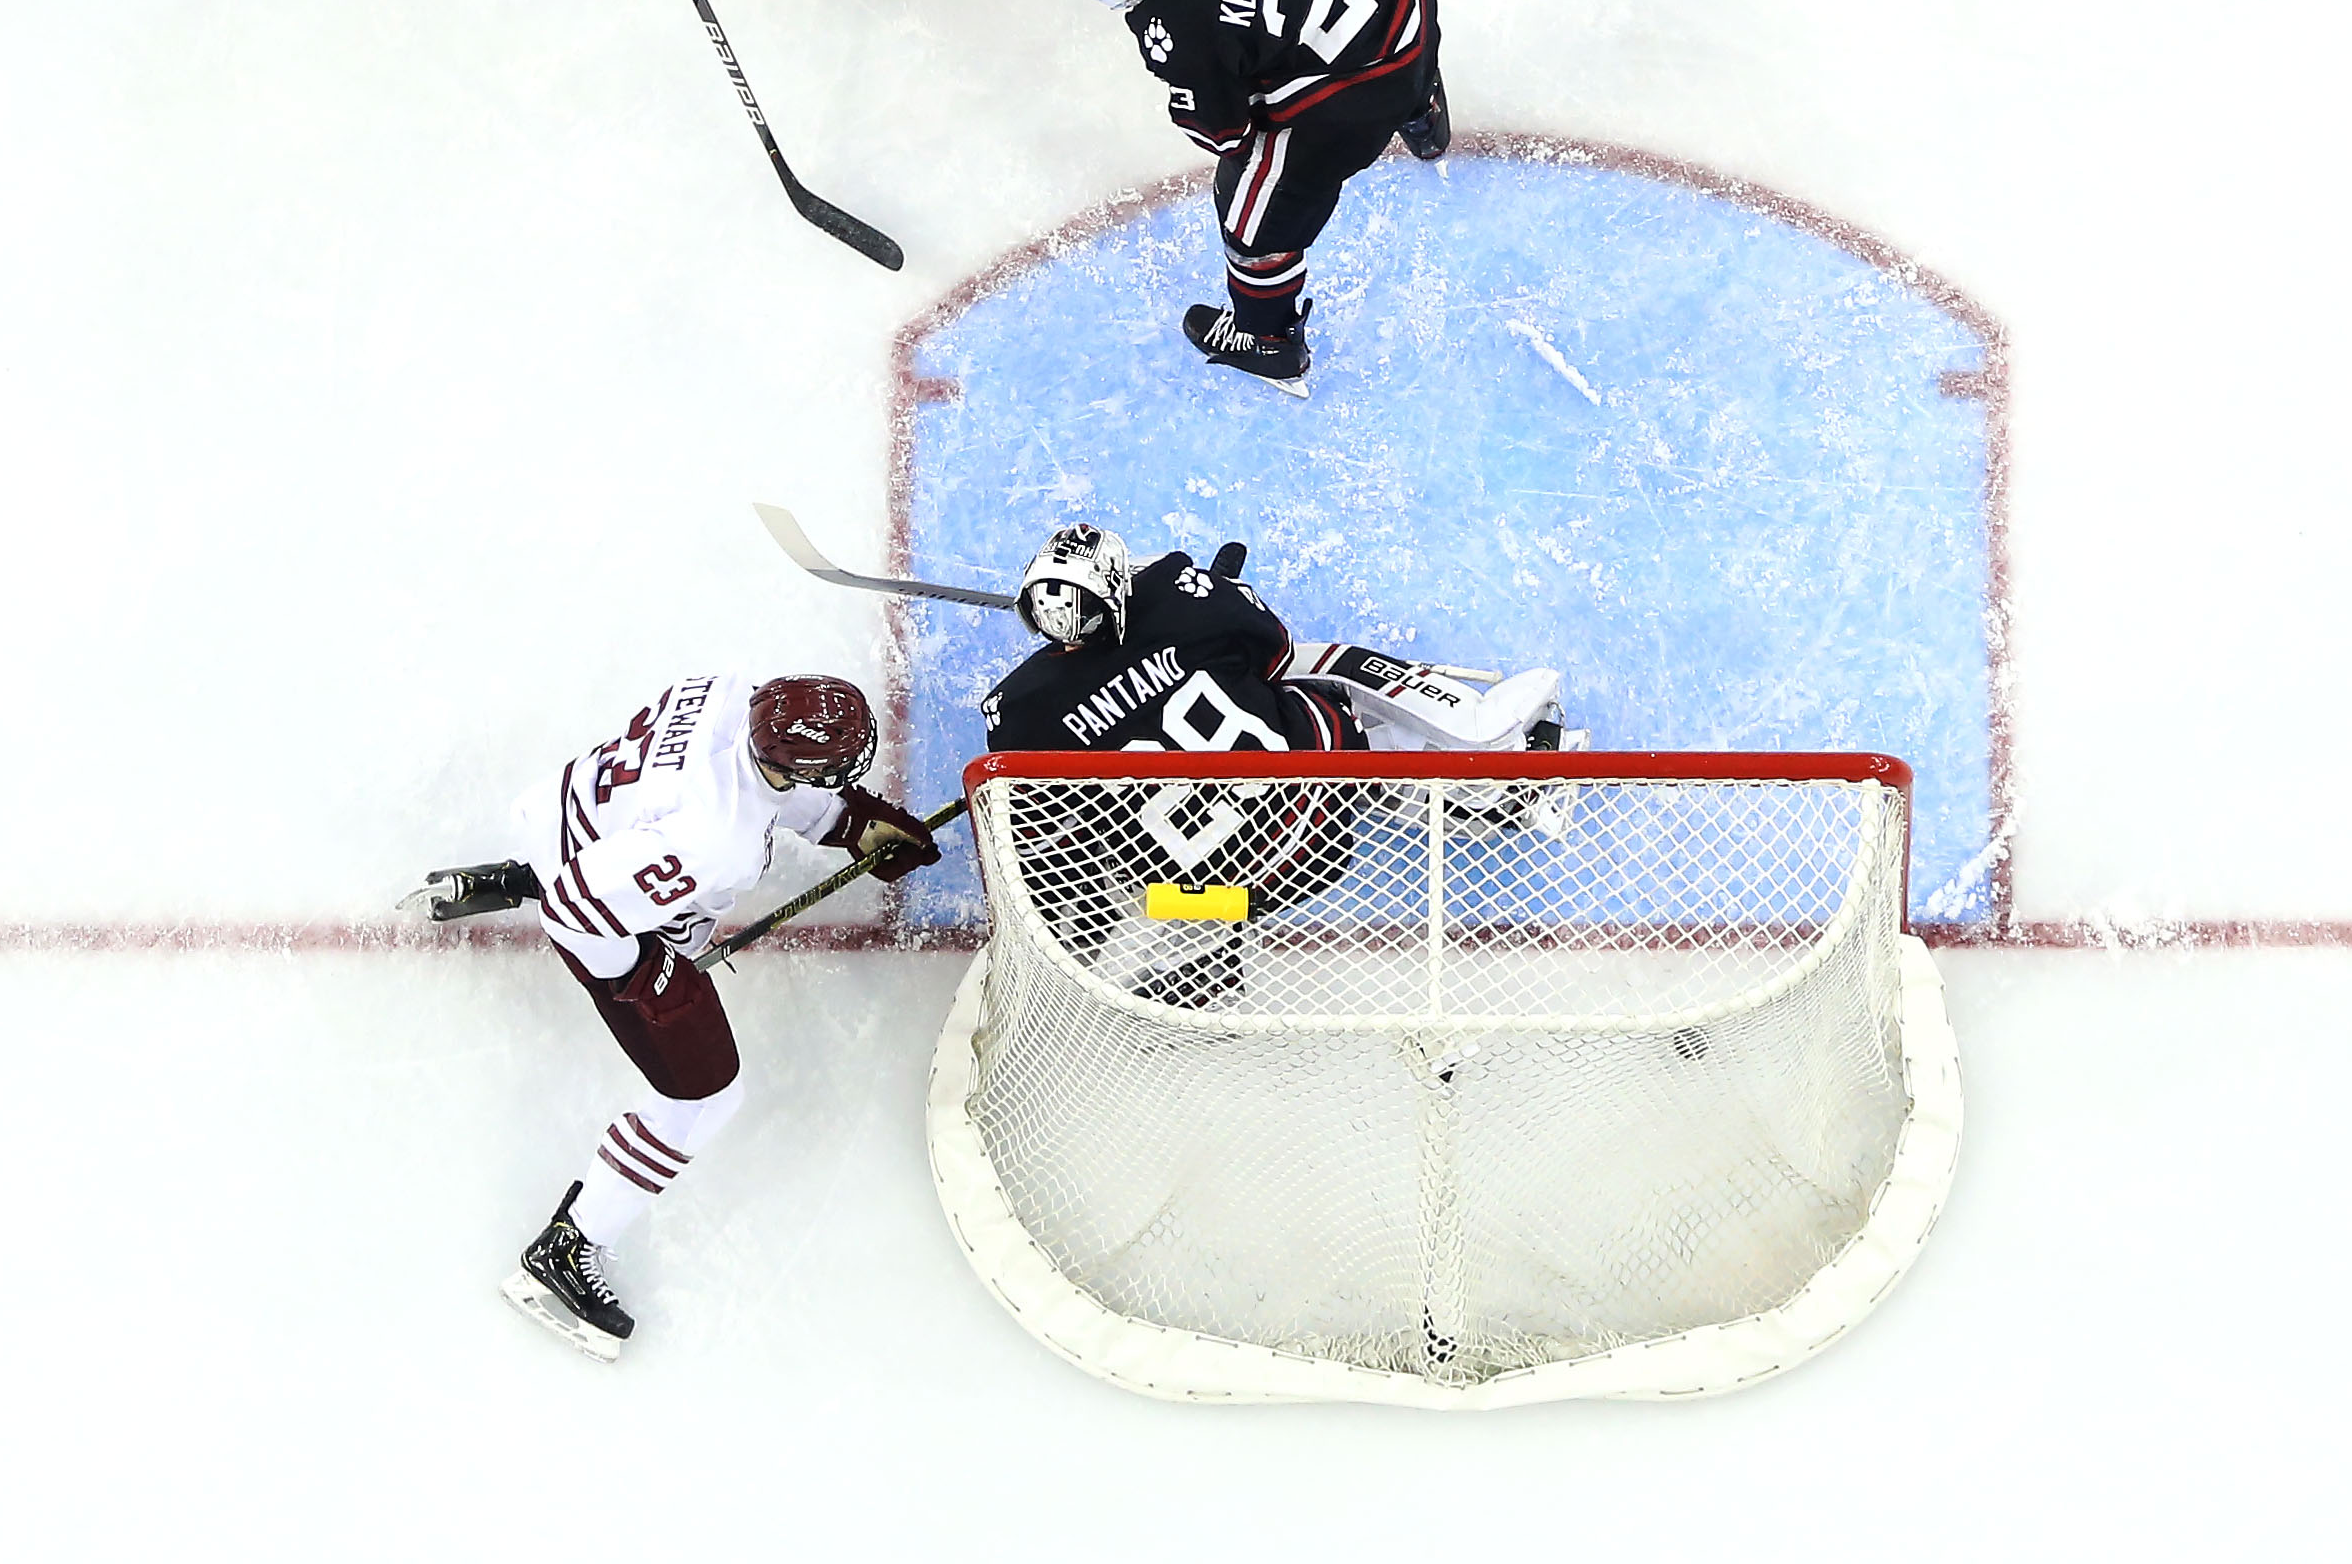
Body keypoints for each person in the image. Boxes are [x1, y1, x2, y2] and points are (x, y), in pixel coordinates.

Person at [414, 671, 941, 1358]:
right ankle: (563, 1256)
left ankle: (507, 876)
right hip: (591, 909)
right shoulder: (711, 838)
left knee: (628, 868)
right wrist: (646, 978)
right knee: (704, 1095)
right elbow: (574, 910)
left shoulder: (729, 693)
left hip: (555, 820)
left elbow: (758, 785)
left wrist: (853, 822)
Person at [976, 523, 1568, 1005]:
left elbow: (1055, 860)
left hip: (1234, 899)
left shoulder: (1019, 715)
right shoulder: (1188, 603)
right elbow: (1275, 647)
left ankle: (1192, 953)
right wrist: (1204, 604)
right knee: (1324, 679)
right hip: (1320, 846)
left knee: (1112, 858)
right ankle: (1492, 767)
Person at [1047, 0, 1448, 386]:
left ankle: (1268, 338)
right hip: (1411, 13)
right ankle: (1422, 113)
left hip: (1355, 101)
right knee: (1378, 41)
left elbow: (1226, 133)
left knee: (1251, 219)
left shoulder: (1176, 29)